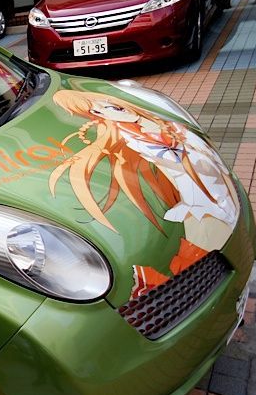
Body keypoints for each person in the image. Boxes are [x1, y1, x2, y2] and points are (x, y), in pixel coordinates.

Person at [48, 89, 239, 299]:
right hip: (193, 199)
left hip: (208, 190)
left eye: (107, 104)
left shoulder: (148, 120)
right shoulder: (132, 140)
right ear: (96, 115)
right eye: (97, 110)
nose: (107, 108)